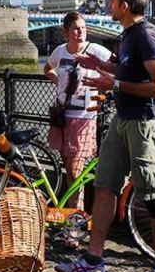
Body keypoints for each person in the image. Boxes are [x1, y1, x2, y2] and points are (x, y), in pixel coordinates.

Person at [55, 0, 155, 272]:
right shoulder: (127, 36)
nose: (108, 3)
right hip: (123, 120)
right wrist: (100, 65)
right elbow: (126, 70)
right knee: (104, 185)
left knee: (152, 194)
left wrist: (115, 85)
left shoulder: (147, 36)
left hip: (145, 123)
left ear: (124, 5)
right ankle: (93, 261)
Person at [43, 11, 112, 212]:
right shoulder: (60, 52)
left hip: (84, 118)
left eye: (83, 28)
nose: (80, 32)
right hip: (62, 116)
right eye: (75, 28)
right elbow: (48, 68)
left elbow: (115, 68)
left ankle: (76, 219)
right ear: (66, 32)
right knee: (69, 170)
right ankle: (73, 214)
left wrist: (102, 85)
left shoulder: (96, 50)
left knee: (75, 171)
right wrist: (59, 84)